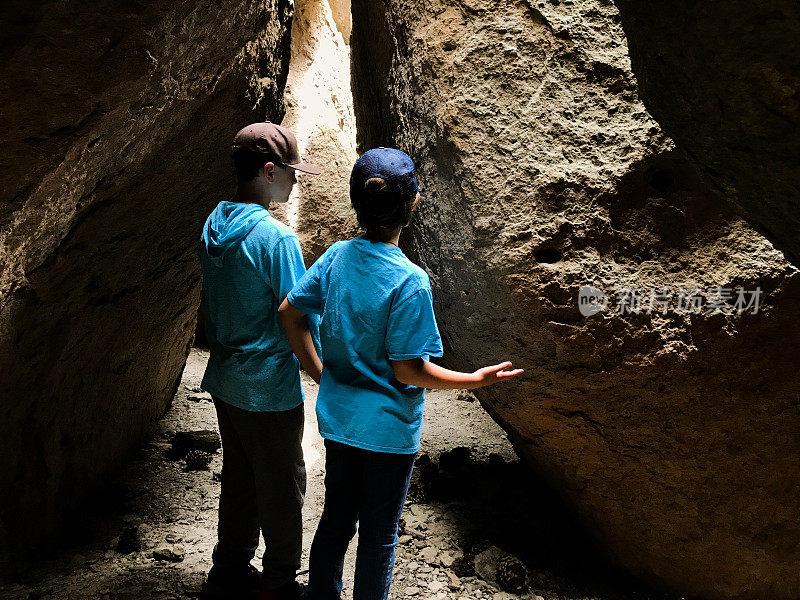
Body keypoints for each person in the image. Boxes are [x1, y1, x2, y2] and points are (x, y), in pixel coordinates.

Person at [278, 147, 523, 600]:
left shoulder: (335, 257)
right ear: (411, 206)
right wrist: (476, 380)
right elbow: (409, 371)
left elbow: (289, 312)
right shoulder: (410, 280)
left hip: (340, 422)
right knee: (378, 536)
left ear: (356, 202)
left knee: (336, 521)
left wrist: (319, 373)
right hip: (388, 434)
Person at [199, 122, 321, 600]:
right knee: (283, 484)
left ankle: (228, 569)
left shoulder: (214, 222)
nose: (296, 181)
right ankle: (280, 581)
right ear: (269, 171)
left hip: (227, 380)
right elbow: (299, 315)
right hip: (267, 387)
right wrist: (322, 373)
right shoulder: (276, 240)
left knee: (241, 476)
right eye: (291, 172)